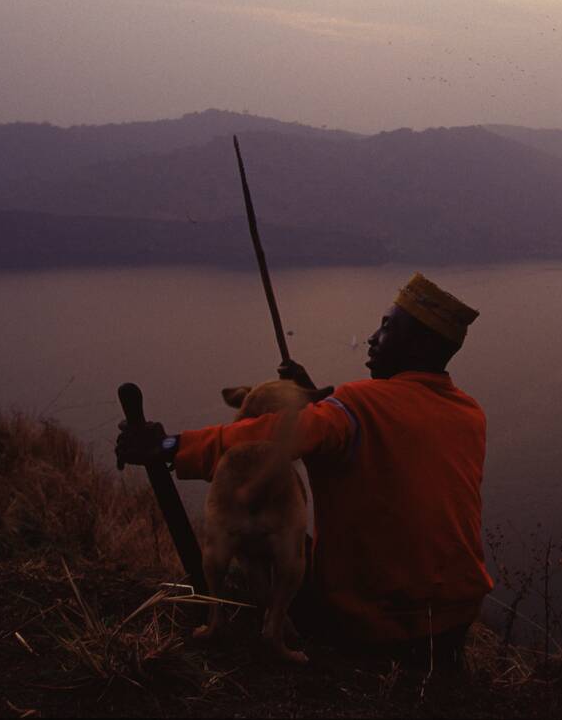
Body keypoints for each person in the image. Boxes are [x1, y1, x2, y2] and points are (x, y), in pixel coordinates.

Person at [116, 273, 492, 668]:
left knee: (265, 544)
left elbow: (268, 438)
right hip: (454, 618)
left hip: (375, 621)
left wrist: (171, 446)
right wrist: (312, 395)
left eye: (386, 327)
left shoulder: (357, 404)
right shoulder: (469, 413)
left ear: (418, 344)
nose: (371, 338)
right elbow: (385, 450)